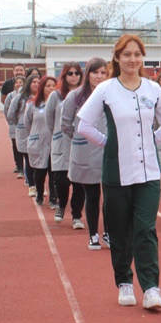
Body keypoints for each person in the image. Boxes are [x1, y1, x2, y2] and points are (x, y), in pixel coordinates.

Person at [77, 35, 161, 310]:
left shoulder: (153, 89)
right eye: (127, 55)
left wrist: (150, 139)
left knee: (145, 229)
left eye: (137, 54)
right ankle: (124, 281)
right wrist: (109, 142)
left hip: (148, 173)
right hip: (116, 172)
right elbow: (84, 125)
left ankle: (151, 288)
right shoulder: (106, 89)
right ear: (117, 58)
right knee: (120, 230)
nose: (133, 59)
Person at [62, 58, 108, 244]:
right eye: (95, 72)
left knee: (111, 196)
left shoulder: (112, 94)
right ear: (87, 74)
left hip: (108, 150)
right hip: (85, 152)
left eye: (103, 72)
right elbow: (65, 123)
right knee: (92, 194)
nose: (99, 76)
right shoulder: (76, 96)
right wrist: (80, 138)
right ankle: (93, 235)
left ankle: (108, 233)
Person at [47, 62, 85, 223]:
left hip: (80, 143)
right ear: (64, 76)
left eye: (77, 73)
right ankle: (62, 205)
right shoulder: (55, 96)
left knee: (80, 183)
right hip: (61, 142)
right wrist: (57, 134)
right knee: (61, 182)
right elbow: (49, 120)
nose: (74, 76)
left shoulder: (85, 96)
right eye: (70, 73)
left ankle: (76, 215)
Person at [25, 75, 58, 207]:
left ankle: (53, 199)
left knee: (54, 172)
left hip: (54, 142)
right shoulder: (33, 105)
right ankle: (39, 192)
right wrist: (34, 135)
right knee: (39, 173)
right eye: (48, 86)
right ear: (42, 87)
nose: (51, 88)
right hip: (38, 142)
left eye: (53, 86)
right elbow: (27, 124)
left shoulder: (59, 104)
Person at [8, 74, 40, 196]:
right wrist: (19, 123)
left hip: (38, 132)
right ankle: (32, 185)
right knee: (28, 158)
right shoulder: (20, 97)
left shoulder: (43, 97)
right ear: (28, 84)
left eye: (38, 82)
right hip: (24, 133)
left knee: (40, 161)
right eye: (34, 82)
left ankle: (40, 185)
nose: (36, 84)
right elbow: (11, 113)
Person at [4, 76, 26, 176]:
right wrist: (12, 122)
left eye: (20, 82)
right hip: (14, 125)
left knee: (25, 148)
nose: (18, 84)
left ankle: (26, 167)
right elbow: (7, 110)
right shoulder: (10, 96)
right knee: (16, 146)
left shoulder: (28, 96)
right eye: (16, 82)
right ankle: (19, 166)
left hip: (25, 126)